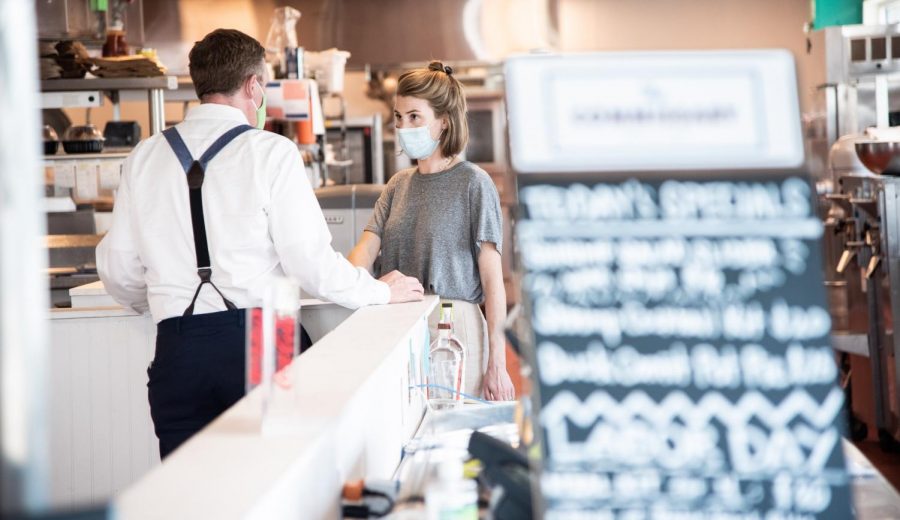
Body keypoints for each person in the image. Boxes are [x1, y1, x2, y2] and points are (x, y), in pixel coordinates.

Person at [96, 29, 424, 459]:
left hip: (177, 351)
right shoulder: (272, 152)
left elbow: (117, 268)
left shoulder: (143, 157)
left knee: (191, 493)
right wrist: (383, 290)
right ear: (253, 85)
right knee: (278, 481)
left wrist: (167, 308)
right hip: (262, 341)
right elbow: (311, 263)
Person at [348, 61, 515, 401]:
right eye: (398, 117)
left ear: (443, 123)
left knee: (451, 438)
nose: (403, 126)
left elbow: (493, 282)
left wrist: (498, 362)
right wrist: (352, 282)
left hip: (453, 330)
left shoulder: (474, 183)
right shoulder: (397, 185)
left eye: (414, 117)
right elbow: (364, 250)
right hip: (397, 326)